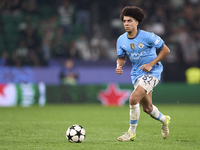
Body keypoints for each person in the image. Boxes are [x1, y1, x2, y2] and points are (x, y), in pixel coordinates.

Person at [115, 6, 171, 142]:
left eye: (129, 20)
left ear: (136, 22)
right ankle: (165, 120)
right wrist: (119, 66)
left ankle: (131, 133)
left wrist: (151, 64)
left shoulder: (148, 36)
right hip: (136, 74)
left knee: (133, 99)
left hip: (153, 72)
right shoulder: (121, 40)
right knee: (147, 108)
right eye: (124, 21)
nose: (126, 24)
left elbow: (166, 50)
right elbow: (121, 57)